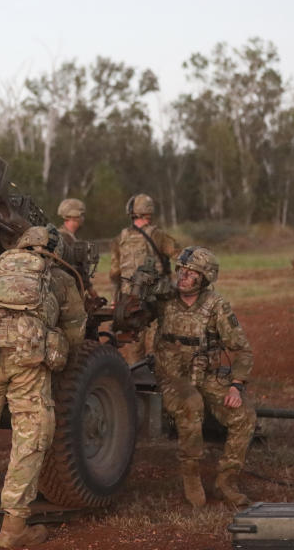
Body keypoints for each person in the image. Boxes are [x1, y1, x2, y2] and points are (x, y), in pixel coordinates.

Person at [0, 225, 86, 548]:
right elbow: (76, 330)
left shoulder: (0, 269)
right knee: (29, 437)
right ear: (54, 250)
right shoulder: (59, 278)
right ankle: (13, 528)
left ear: (23, 246)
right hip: (29, 363)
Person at [153, 247, 255, 508]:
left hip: (206, 375)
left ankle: (226, 481)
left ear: (205, 278)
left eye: (191, 273)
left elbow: (242, 350)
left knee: (244, 415)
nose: (183, 276)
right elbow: (128, 319)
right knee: (192, 405)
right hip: (173, 377)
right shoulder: (163, 299)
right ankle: (191, 475)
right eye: (181, 270)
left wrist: (235, 387)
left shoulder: (216, 305)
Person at [109, 193, 179, 362]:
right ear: (150, 212)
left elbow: (115, 273)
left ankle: (137, 379)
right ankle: (162, 380)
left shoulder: (121, 238)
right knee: (161, 341)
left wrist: (116, 299)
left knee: (135, 343)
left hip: (130, 299)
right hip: (156, 298)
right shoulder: (158, 235)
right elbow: (180, 255)